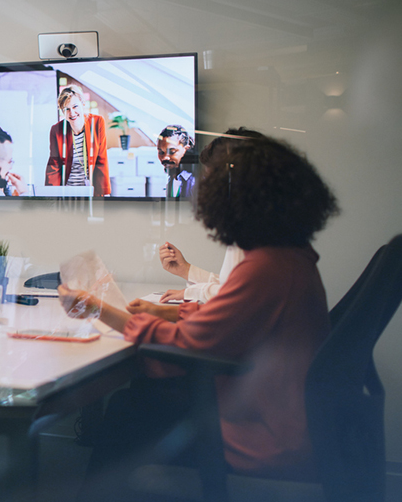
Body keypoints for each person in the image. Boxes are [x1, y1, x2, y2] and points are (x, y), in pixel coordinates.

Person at [59, 134, 338, 494]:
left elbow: (185, 347)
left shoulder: (267, 267)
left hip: (261, 436)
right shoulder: (288, 255)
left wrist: (97, 308)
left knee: (128, 410)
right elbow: (229, 320)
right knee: (138, 401)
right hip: (278, 416)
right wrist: (171, 312)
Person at [152, 128, 265, 304]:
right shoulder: (264, 225)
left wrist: (185, 298)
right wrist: (185, 270)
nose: (210, 190)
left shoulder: (252, 233)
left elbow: (234, 298)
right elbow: (234, 286)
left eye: (214, 181)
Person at [45, 86, 110, 195]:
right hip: (68, 190)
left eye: (75, 106)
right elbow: (54, 165)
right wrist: (51, 195)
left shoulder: (97, 123)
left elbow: (101, 160)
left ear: (83, 103)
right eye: (67, 109)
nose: (72, 113)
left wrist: (104, 193)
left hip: (90, 190)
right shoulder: (56, 130)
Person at [157, 124, 196, 199]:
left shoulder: (194, 182)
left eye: (172, 152)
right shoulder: (173, 178)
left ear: (186, 150)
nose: (165, 157)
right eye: (161, 152)